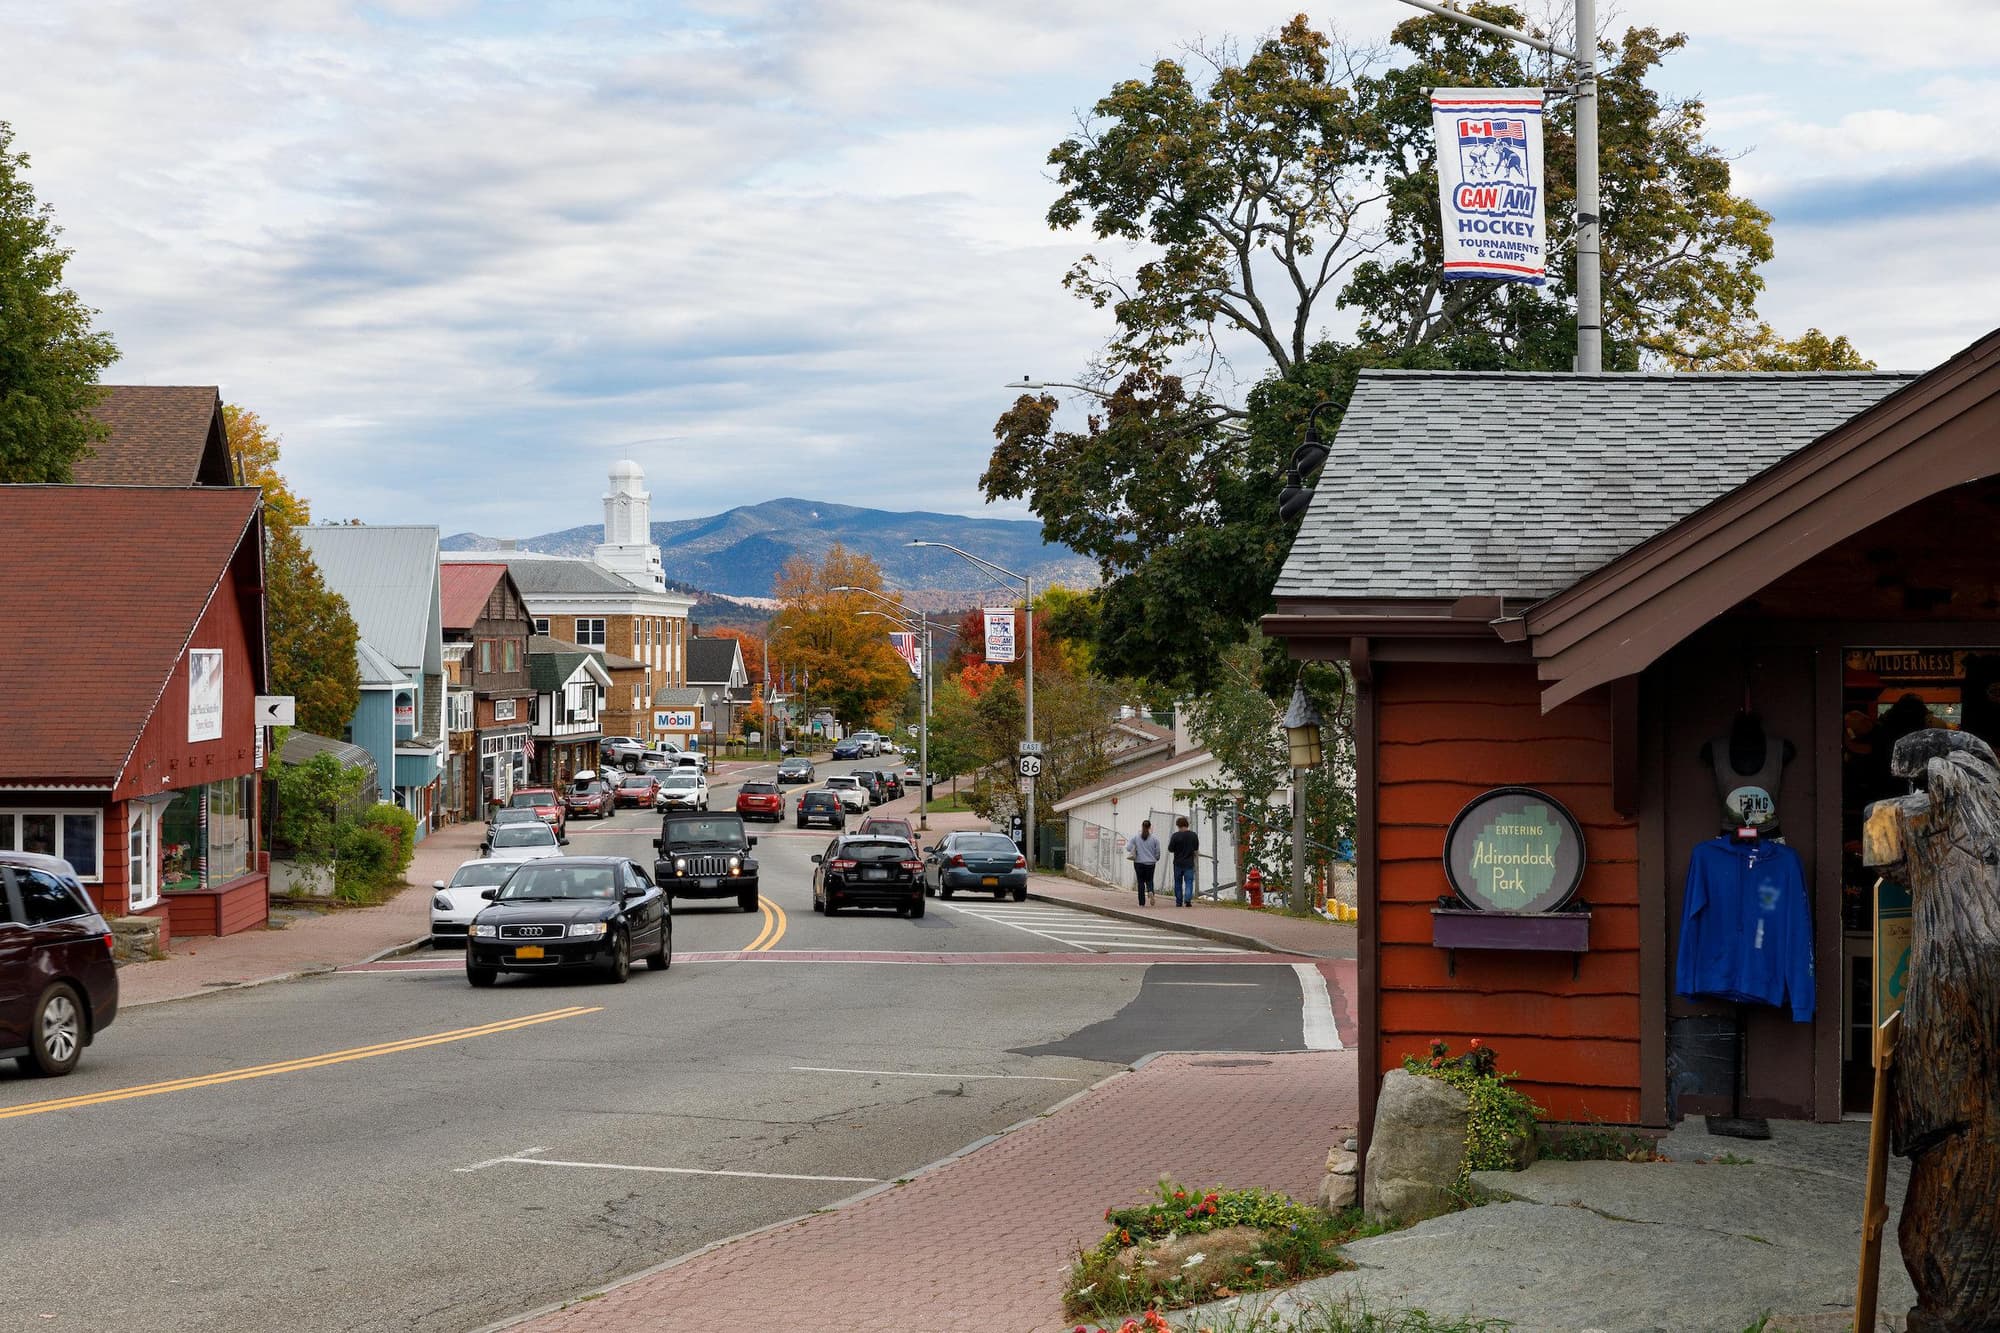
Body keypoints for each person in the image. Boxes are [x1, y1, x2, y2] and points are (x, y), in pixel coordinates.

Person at [1126, 820, 1161, 906]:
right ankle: (1150, 891)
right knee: (1149, 880)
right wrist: (1156, 858)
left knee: (1140, 882)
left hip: (1139, 863)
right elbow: (1157, 852)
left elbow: (1128, 848)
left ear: (1142, 826)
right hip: (1150, 863)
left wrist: (1136, 850)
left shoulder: (1136, 838)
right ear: (1150, 827)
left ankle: (1142, 903)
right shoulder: (1155, 839)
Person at [1168, 816, 1200, 907]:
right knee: (1189, 882)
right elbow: (1196, 848)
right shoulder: (1193, 835)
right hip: (1189, 863)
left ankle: (1179, 901)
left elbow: (1170, 849)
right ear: (1187, 824)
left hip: (1177, 863)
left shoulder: (1175, 836)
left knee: (1178, 882)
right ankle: (1188, 899)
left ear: (1178, 825)